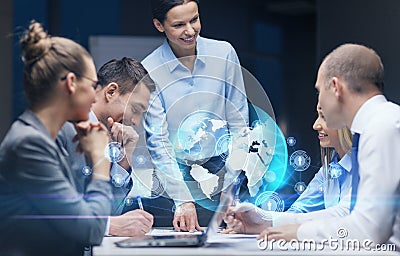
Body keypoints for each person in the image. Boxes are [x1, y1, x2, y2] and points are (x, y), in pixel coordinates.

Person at [255, 44, 400, 249]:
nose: (319, 103)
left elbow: (369, 230)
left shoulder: (383, 126)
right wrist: (271, 221)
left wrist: (299, 233)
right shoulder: (379, 124)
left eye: (319, 90)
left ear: (335, 87)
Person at [0, 21, 112, 255]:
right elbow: (91, 228)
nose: (95, 95)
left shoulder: (44, 139)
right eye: (93, 85)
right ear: (71, 83)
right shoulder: (29, 144)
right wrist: (102, 161)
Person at [141, 0, 249, 232]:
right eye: (179, 24)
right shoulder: (149, 69)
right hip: (174, 179)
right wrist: (182, 199)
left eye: (194, 20)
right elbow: (158, 141)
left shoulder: (224, 53)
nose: (190, 31)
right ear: (159, 25)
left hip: (225, 172)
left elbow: (239, 124)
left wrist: (231, 187)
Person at [57, 57, 155, 237]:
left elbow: (107, 211)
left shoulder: (107, 139)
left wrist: (124, 162)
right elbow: (50, 208)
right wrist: (109, 226)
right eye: (135, 109)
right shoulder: (63, 129)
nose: (135, 121)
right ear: (111, 92)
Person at [224, 105, 353, 233]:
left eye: (324, 117)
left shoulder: (364, 165)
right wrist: (259, 220)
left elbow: (346, 216)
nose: (315, 125)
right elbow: (299, 210)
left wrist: (265, 222)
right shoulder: (330, 169)